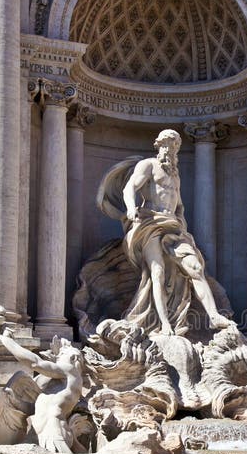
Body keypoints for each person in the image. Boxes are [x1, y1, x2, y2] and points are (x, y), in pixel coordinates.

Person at [98, 129, 232, 336]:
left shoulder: (174, 176)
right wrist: (131, 208)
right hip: (150, 223)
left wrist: (184, 228)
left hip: (174, 226)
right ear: (158, 145)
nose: (171, 149)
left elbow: (179, 206)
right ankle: (164, 324)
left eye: (175, 145)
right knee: (157, 273)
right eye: (167, 144)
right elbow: (129, 188)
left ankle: (213, 315)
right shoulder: (148, 165)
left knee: (195, 267)